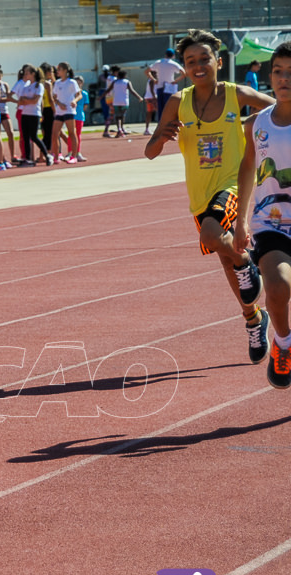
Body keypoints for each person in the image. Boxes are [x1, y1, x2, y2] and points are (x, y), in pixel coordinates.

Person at [146, 28, 275, 365]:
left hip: (234, 186)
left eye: (205, 59)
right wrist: (162, 137)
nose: (199, 65)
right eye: (191, 61)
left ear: (219, 61)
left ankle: (247, 263)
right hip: (200, 197)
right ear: (184, 68)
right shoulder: (178, 102)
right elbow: (149, 152)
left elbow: (280, 110)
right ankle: (253, 318)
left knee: (215, 237)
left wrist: (259, 126)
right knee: (227, 261)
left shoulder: (237, 94)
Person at [235, 42, 291, 387]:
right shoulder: (256, 123)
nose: (284, 79)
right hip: (271, 221)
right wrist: (240, 219)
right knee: (278, 283)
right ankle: (283, 343)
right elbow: (246, 167)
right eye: (278, 71)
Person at [16, 64, 51, 166]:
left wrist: (27, 100)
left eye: (27, 73)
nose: (25, 75)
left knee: (34, 136)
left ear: (33, 74)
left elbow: (35, 100)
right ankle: (28, 159)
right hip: (25, 114)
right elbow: (21, 101)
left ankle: (47, 155)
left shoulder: (39, 85)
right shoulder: (26, 86)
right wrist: (27, 100)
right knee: (26, 137)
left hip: (34, 114)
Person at [51, 62, 81, 164]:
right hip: (59, 111)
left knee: (72, 133)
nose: (57, 71)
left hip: (69, 110)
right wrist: (59, 103)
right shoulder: (57, 83)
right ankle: (56, 156)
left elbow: (79, 95)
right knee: (54, 134)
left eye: (59, 69)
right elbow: (54, 97)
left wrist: (74, 101)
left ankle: (74, 156)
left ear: (65, 71)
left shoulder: (72, 82)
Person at [103, 69, 143, 137]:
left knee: (116, 116)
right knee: (122, 116)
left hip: (113, 100)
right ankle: (120, 129)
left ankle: (118, 129)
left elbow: (108, 90)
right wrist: (139, 97)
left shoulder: (111, 79)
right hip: (123, 101)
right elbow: (132, 90)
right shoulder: (124, 81)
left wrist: (101, 96)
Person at [146, 47, 185, 115]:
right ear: (173, 56)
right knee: (170, 106)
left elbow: (146, 71)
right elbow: (184, 73)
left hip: (160, 87)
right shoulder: (173, 64)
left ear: (165, 55)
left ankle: (161, 123)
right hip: (170, 87)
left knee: (161, 108)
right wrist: (175, 81)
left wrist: (154, 80)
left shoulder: (158, 62)